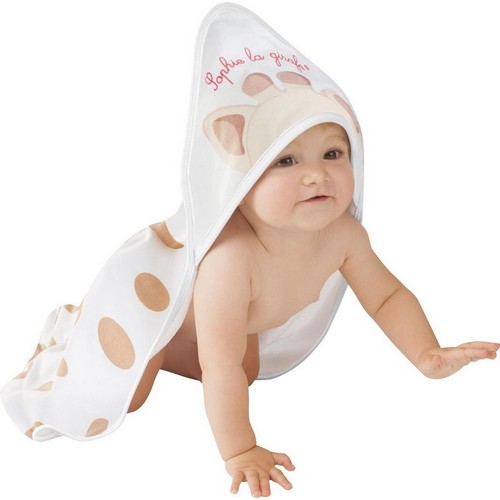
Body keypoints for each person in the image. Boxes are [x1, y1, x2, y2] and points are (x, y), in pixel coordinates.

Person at [128, 121, 500, 498]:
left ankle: (172, 350)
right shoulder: (231, 259)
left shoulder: (344, 234)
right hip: (147, 311)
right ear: (236, 185)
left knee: (246, 372)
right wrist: (240, 450)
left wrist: (425, 352)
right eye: (286, 160)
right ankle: (152, 346)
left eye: (332, 154)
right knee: (133, 397)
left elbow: (386, 296)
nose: (317, 175)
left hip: (223, 325)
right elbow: (219, 364)